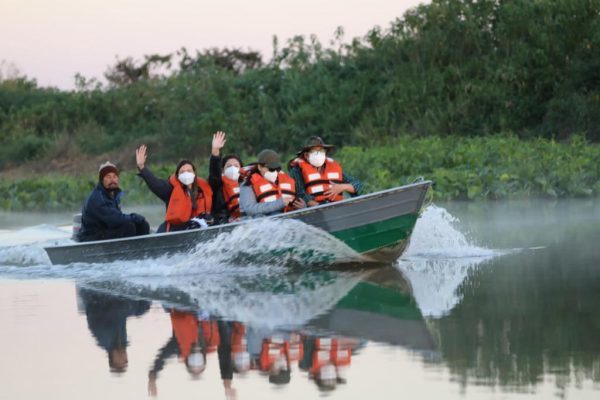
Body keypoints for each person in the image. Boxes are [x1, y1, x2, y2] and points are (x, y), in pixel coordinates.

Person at [136, 145, 213, 232]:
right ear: (177, 176)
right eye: (182, 172)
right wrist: (142, 167)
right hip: (173, 230)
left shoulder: (202, 189)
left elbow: (215, 177)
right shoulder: (170, 189)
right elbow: (155, 184)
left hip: (196, 228)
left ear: (194, 173)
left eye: (189, 171)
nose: (186, 173)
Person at [77, 286, 151, 374]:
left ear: (111, 357)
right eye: (124, 359)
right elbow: (120, 312)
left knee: (138, 307)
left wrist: (132, 308)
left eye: (119, 359)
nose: (122, 356)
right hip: (110, 301)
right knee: (142, 307)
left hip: (96, 296)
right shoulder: (120, 343)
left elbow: (117, 312)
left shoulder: (105, 338)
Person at [77, 162, 149, 242]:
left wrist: (140, 221)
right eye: (108, 177)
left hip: (104, 231)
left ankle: (144, 250)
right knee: (128, 226)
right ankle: (129, 253)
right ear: (102, 180)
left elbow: (117, 217)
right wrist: (136, 217)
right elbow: (115, 219)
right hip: (91, 237)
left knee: (142, 225)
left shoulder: (112, 194)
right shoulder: (98, 198)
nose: (112, 180)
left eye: (114, 176)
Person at [288, 136, 363, 206]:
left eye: (321, 151)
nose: (319, 155)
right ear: (306, 155)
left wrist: (342, 187)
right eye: (315, 152)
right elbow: (300, 193)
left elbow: (358, 184)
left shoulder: (332, 166)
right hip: (313, 210)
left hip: (337, 208)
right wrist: (319, 206)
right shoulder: (297, 170)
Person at [239, 149, 306, 217]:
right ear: (260, 167)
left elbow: (298, 202)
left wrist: (303, 207)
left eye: (277, 169)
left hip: (289, 221)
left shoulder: (287, 179)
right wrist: (279, 204)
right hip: (264, 223)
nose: (275, 172)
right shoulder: (247, 184)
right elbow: (250, 209)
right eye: (271, 169)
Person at [208, 131, 245, 223]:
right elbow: (214, 173)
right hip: (225, 223)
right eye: (229, 166)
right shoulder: (217, 185)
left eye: (236, 166)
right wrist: (215, 152)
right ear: (223, 170)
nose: (233, 168)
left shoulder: (249, 184)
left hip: (247, 221)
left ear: (241, 169)